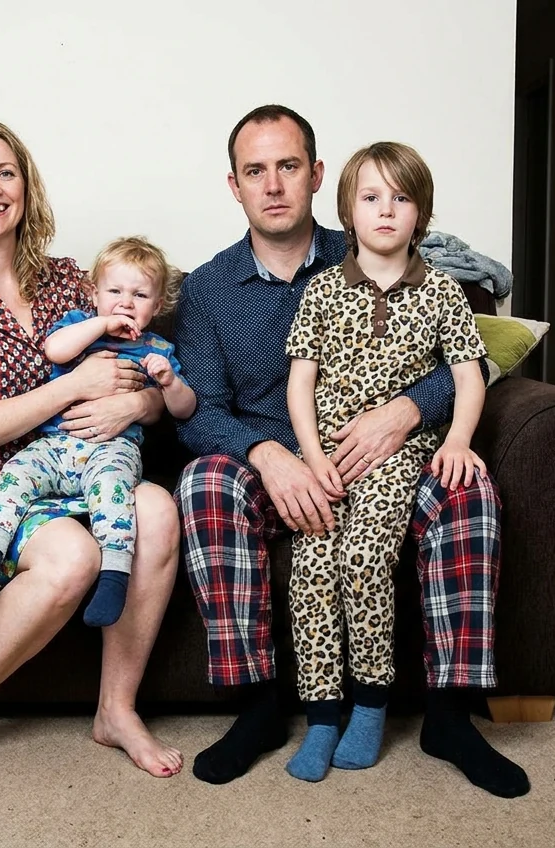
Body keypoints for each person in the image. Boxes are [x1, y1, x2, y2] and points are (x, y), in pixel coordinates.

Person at [173, 104, 529, 798]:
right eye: (255, 171)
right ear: (234, 185)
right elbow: (202, 415)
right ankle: (259, 708)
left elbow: (464, 356)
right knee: (203, 483)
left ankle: (449, 716)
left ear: (316, 175)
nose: (273, 184)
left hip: (387, 461)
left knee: (468, 490)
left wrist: (404, 412)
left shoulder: (371, 243)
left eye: (287, 166)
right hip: (276, 469)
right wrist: (274, 458)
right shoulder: (209, 289)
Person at [0, 118, 183, 798]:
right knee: (72, 557)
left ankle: (116, 710)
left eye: (6, 173)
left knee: (159, 510)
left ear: (25, 188)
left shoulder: (65, 281)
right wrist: (71, 388)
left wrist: (139, 406)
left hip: (77, 466)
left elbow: (130, 368)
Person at [282, 141, 488, 782]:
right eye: (371, 197)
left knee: (364, 557)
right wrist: (313, 459)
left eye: (401, 198)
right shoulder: (320, 291)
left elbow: (469, 375)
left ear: (420, 212)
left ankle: (370, 705)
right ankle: (322, 716)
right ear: (347, 210)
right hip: (329, 454)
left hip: (399, 456)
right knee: (312, 564)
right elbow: (299, 383)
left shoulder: (443, 294)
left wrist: (455, 441)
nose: (386, 211)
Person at [0, 236, 197, 628]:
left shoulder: (158, 349)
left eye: (140, 295)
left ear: (158, 305)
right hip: (55, 445)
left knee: (115, 493)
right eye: (114, 291)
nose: (126, 303)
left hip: (112, 449)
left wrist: (168, 383)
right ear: (93, 293)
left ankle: (115, 575)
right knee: (15, 473)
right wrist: (101, 323)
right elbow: (55, 351)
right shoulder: (79, 327)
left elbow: (183, 409)